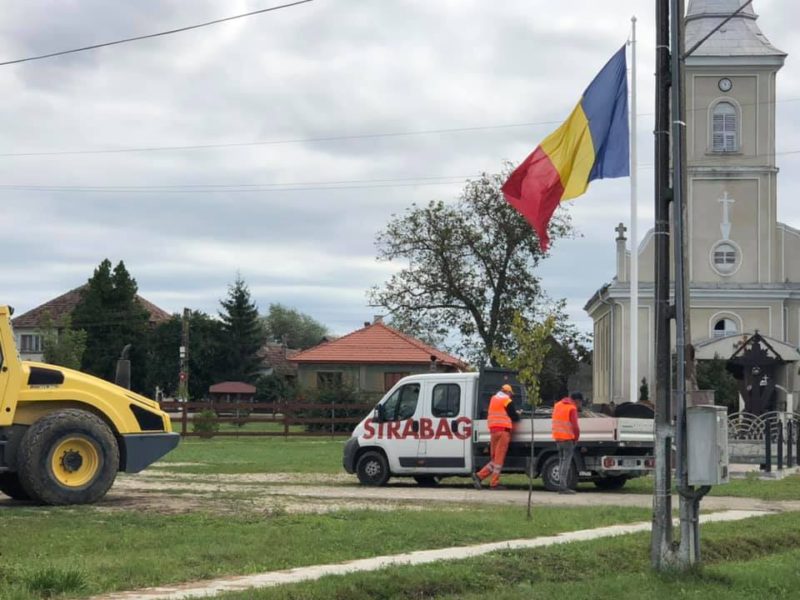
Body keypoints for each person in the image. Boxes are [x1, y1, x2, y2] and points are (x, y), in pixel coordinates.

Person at [472, 383, 520, 490]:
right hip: (503, 431)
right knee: (499, 459)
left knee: (494, 458)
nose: (511, 396)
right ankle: (494, 483)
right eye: (510, 394)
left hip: (493, 431)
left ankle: (479, 476)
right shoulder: (506, 400)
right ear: (507, 392)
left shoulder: (493, 399)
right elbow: (514, 417)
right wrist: (518, 414)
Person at [551, 391, 583, 494]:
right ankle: (563, 487)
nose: (580, 405)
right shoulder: (572, 408)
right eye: (580, 403)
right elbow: (575, 427)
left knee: (561, 461)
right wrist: (576, 438)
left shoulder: (557, 405)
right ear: (577, 401)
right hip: (568, 439)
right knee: (566, 462)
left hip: (557, 438)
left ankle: (561, 484)